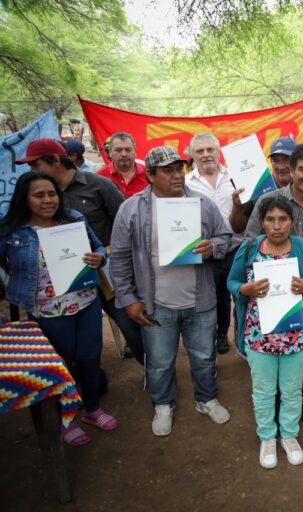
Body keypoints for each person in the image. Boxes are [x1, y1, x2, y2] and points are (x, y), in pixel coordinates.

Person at [110, 146, 233, 437]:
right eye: (168, 170)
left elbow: (225, 236)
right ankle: (163, 404)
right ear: (150, 175)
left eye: (179, 168)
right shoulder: (131, 208)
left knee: (203, 356)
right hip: (157, 304)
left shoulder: (201, 204)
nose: (177, 175)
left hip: (199, 301)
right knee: (160, 361)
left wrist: (211, 248)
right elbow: (119, 258)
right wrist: (128, 299)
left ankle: (206, 398)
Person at [0, 171, 117, 446]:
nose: (47, 200)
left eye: (51, 194)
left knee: (89, 358)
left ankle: (91, 409)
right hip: (47, 310)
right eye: (38, 195)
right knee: (63, 365)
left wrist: (99, 257)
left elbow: (97, 245)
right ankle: (68, 419)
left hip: (86, 301)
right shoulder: (12, 230)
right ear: (24, 199)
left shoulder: (74, 218)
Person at [17, 139, 144, 363]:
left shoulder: (99, 185)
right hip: (60, 284)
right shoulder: (36, 193)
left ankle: (154, 372)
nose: (33, 171)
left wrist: (106, 252)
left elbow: (131, 226)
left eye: (36, 166)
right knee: (74, 339)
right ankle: (86, 379)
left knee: (130, 326)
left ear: (56, 160)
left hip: (107, 275)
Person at [228, 195, 303, 469]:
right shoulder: (249, 248)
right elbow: (232, 281)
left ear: (292, 221)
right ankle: (268, 438)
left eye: (283, 219)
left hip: (296, 337)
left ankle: (290, 435)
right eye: (270, 219)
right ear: (262, 222)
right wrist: (244, 290)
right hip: (259, 339)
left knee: (293, 390)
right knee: (263, 391)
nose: (277, 226)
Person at [243, 144, 303, 424]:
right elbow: (249, 244)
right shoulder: (268, 202)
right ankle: (272, 404)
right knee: (270, 352)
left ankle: (302, 398)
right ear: (291, 171)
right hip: (270, 297)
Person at [184, 133, 242, 355]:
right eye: (200, 151)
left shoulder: (236, 177)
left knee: (234, 296)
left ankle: (224, 335)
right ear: (192, 155)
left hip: (235, 250)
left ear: (218, 152)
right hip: (204, 254)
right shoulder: (186, 183)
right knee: (209, 297)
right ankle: (208, 340)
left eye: (210, 149)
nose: (206, 154)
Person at [229, 136, 297, 233]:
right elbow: (238, 229)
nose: (281, 167)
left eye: (287, 160)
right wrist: (237, 207)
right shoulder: (258, 188)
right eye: (276, 160)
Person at [97, 132, 148, 198]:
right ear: (110, 153)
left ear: (135, 151)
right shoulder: (100, 177)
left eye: (128, 150)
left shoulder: (150, 175)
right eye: (118, 150)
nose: (124, 154)